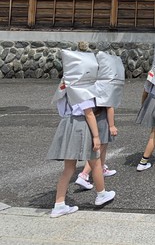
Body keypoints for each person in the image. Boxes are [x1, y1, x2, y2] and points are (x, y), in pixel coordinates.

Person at [47, 50, 115, 217]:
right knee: (95, 161)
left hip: (66, 125)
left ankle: (59, 203)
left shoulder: (65, 86)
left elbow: (61, 109)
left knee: (68, 168)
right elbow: (89, 113)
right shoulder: (81, 88)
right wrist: (97, 136)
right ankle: (101, 194)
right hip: (81, 126)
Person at [74, 51, 124, 190]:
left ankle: (101, 168)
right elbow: (110, 107)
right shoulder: (105, 85)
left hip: (95, 117)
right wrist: (112, 125)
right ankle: (83, 175)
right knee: (99, 149)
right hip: (102, 119)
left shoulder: (93, 82)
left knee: (103, 146)